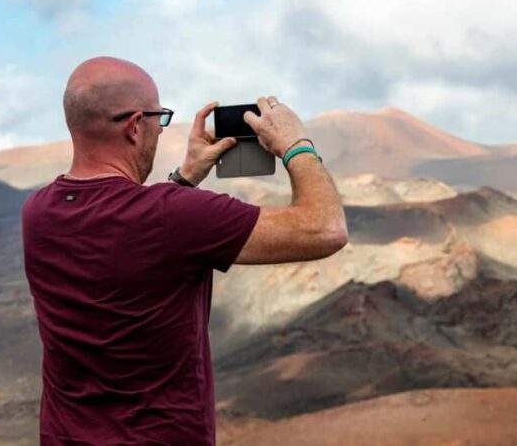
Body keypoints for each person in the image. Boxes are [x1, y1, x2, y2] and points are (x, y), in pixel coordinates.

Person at [21, 56, 348, 445]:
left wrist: (184, 178)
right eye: (159, 119)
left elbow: (129, 233)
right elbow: (325, 228)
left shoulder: (39, 212)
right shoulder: (171, 217)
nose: (161, 133)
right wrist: (296, 145)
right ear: (134, 126)